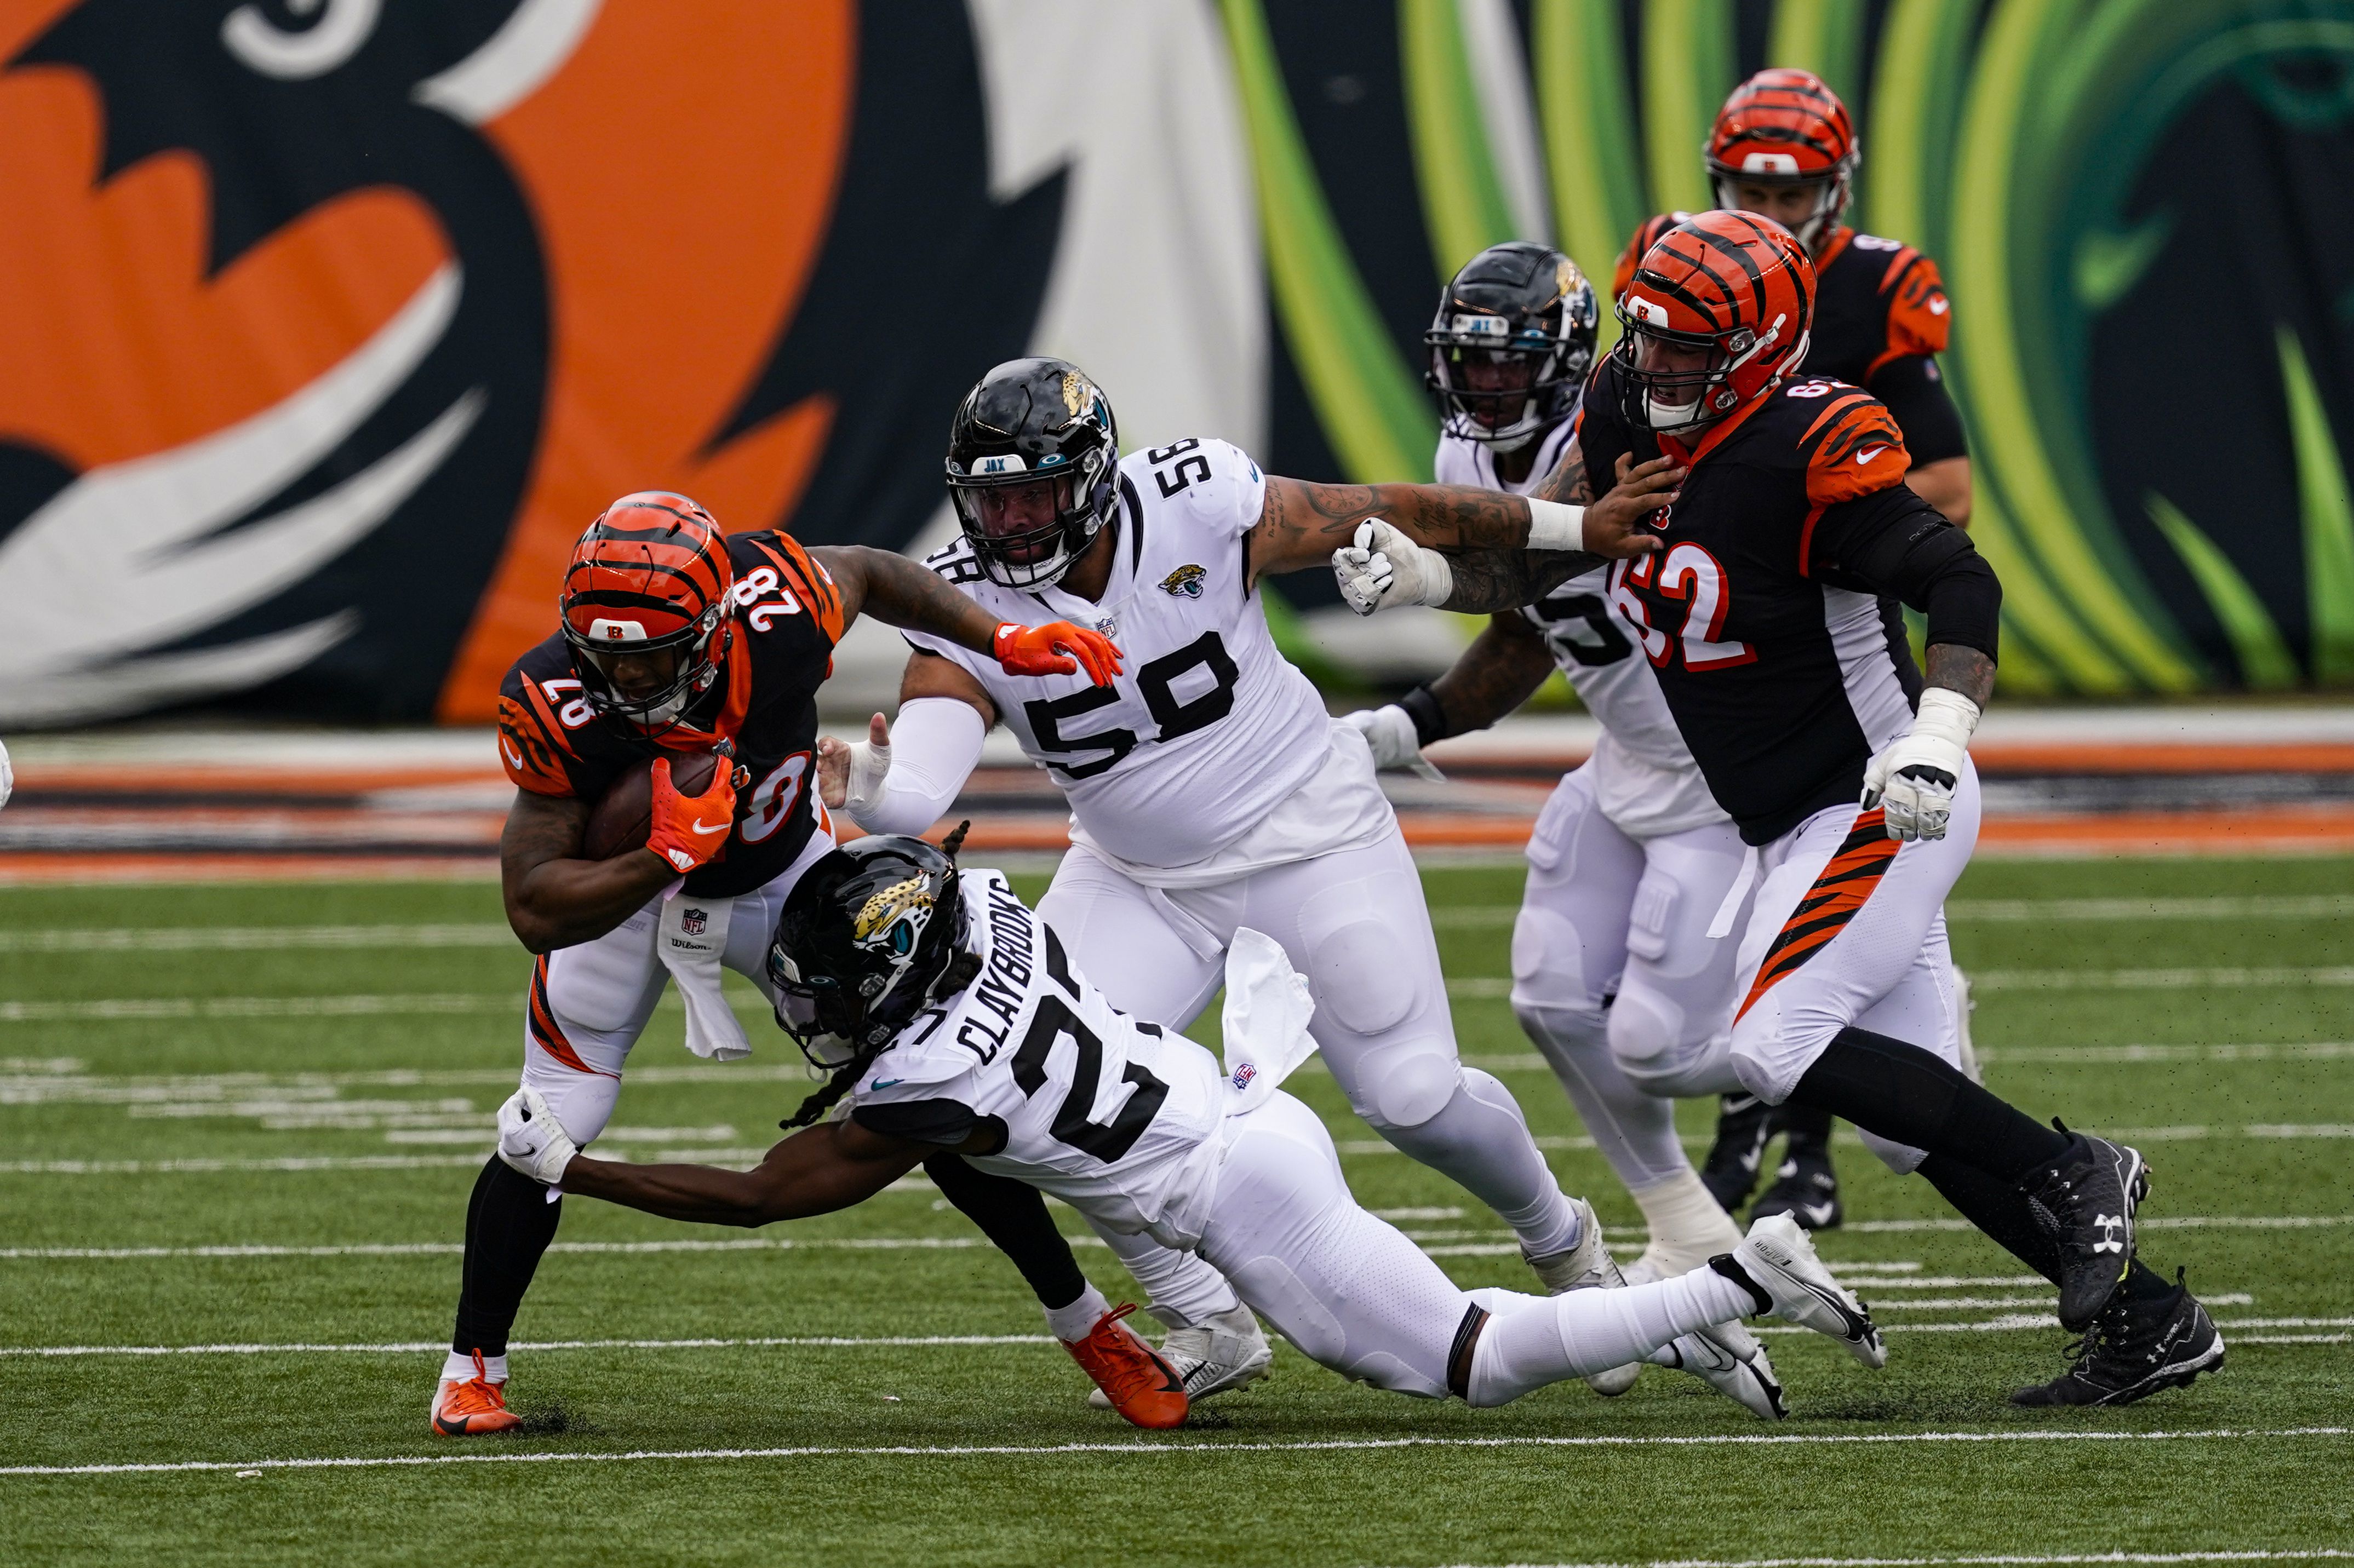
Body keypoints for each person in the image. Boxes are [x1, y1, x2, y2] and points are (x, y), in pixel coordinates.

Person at [1332, 211, 2225, 1408]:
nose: (1649, 367)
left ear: (1754, 352)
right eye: (1642, 340)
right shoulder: (1617, 403)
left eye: (1681, 350)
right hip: (1784, 818)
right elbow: (1544, 562)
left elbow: (1957, 577)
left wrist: (1936, 737)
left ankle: (2078, 1166)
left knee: (1773, 1041)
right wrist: (1430, 575)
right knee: (1909, 1121)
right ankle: (2151, 1321)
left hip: (1874, 794)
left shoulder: (1815, 438)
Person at [813, 357, 1679, 1402]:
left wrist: (1572, 529)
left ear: (1092, 477)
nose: (1013, 519)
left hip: (1309, 833)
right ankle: (1202, 1315)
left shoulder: (1194, 501)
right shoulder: (961, 589)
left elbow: (1396, 506)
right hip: (1137, 877)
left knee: (1413, 1099)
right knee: (1022, 1088)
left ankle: (1563, 1245)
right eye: (993, 496)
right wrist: (881, 790)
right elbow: (925, 774)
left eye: (1035, 492)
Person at [490, 832, 1889, 1421]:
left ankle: (1735, 1272)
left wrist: (576, 1166)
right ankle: (1212, 1330)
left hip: (1241, 1195)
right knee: (1130, 1190)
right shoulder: (983, 914)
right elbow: (908, 883)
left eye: (824, 992)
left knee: (1468, 1362)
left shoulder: (927, 1085)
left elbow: (754, 1197)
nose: (812, 1012)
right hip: (1235, 1111)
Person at [432, 489, 1139, 1435]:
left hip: (784, 878)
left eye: (653, 653)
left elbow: (881, 574)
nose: (631, 680)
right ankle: (469, 1372)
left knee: (928, 1082)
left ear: (720, 624)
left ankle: (1085, 1323)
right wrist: (660, 854)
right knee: (550, 1119)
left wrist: (1000, 640)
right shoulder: (553, 700)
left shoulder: (778, 603)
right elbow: (532, 906)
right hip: (631, 902)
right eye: (608, 657)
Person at [1345, 240, 1749, 1286]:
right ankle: (1685, 1223)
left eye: (1510, 361)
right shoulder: (1463, 461)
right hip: (1629, 757)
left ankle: (1855, 1019)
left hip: (1732, 770)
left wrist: (1429, 577)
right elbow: (1535, 626)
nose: (1487, 384)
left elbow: (1526, 558)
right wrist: (1412, 724)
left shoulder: (1619, 425)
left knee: (1670, 1045)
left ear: (1571, 361)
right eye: (1469, 362)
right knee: (1552, 995)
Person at [1624, 67, 1974, 1226]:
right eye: (1745, 186)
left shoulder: (1874, 292)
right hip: (1714, 625)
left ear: (1838, 189)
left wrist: (1779, 509)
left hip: (1826, 630)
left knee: (1809, 983)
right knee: (1774, 939)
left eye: (1796, 189)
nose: (1770, 211)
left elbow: (1945, 504)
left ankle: (1807, 1127)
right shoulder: (1675, 291)